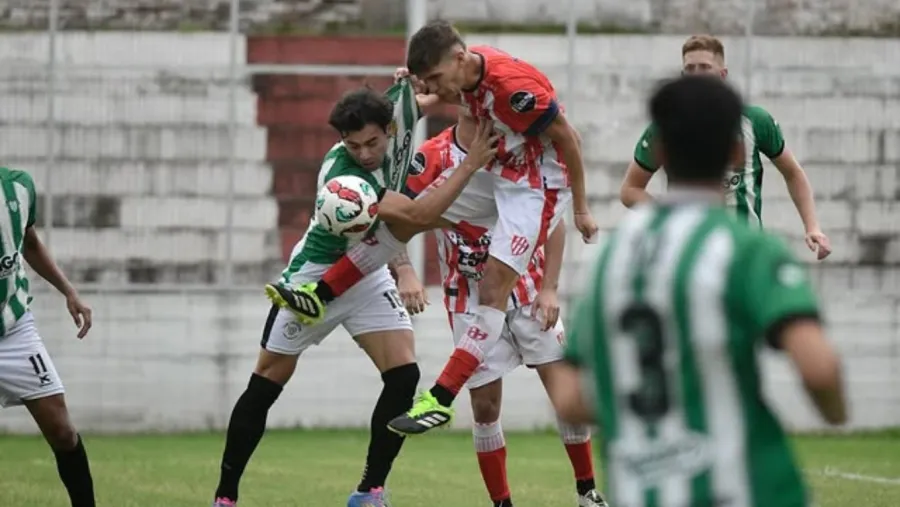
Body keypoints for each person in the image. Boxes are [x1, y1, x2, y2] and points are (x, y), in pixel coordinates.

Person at [266, 20, 600, 436]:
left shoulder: (513, 88)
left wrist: (582, 208)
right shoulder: (464, 74)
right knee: (408, 215)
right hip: (500, 171)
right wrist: (410, 93)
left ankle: (440, 398)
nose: (436, 87)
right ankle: (320, 293)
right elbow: (443, 98)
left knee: (494, 287)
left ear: (460, 59)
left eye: (436, 79)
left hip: (539, 183)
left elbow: (570, 138)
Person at [552, 74, 847, 507]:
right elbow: (819, 370)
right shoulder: (747, 248)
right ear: (737, 153)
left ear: (664, 155)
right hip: (743, 490)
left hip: (643, 491)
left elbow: (570, 398)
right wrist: (835, 412)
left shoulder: (611, 259)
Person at [210, 85, 498, 507]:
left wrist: (431, 90)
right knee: (267, 382)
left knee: (403, 375)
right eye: (353, 145)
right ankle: (225, 496)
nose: (364, 153)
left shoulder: (396, 124)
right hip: (315, 279)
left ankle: (369, 492)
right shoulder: (347, 179)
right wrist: (470, 165)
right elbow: (416, 217)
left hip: (365, 276)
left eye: (372, 143)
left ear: (389, 129)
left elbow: (422, 101)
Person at [399, 118, 608, 507]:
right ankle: (502, 503)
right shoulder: (433, 156)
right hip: (469, 300)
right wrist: (405, 268)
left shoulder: (512, 147)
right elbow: (395, 212)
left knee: (564, 391)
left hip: (527, 292)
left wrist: (548, 287)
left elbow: (552, 220)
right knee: (485, 407)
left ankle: (587, 492)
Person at [620, 34, 832, 260]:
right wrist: (668, 212)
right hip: (689, 251)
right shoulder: (666, 127)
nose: (696, 75)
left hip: (744, 252)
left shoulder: (755, 121)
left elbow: (792, 172)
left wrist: (812, 226)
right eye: (689, 69)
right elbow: (630, 189)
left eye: (704, 68)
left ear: (722, 75)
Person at [0, 167, 96, 507]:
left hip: (13, 327)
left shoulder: (17, 188)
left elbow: (30, 243)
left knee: (63, 431)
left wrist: (69, 291)